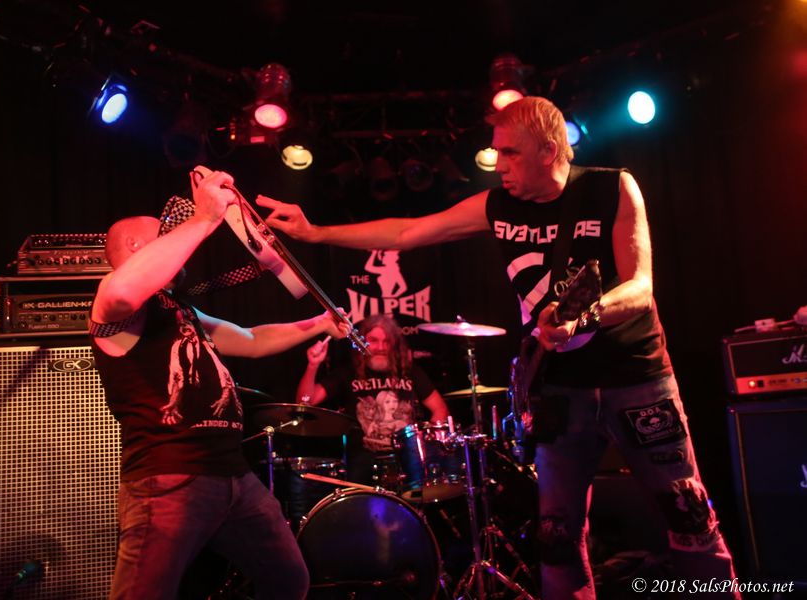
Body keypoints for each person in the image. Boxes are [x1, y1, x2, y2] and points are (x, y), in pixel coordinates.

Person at [258, 97, 740, 599]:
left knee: (688, 514)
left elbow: (640, 288)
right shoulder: (498, 205)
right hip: (559, 387)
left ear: (548, 150)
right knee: (557, 537)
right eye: (497, 153)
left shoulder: (611, 187)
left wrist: (583, 317)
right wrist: (314, 232)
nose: (498, 165)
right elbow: (407, 231)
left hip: (635, 376)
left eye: (510, 153)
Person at [89, 165, 348, 600]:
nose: (178, 242)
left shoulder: (180, 310)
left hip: (231, 474)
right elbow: (121, 292)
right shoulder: (115, 306)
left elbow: (251, 339)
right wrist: (204, 218)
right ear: (134, 245)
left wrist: (319, 323)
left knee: (288, 581)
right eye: (164, 234)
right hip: (168, 477)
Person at [297, 313, 450, 486]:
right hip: (363, 465)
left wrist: (426, 447)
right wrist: (313, 365)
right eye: (374, 340)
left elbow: (440, 409)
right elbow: (306, 401)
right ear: (362, 341)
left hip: (406, 462)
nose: (381, 347)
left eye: (386, 341)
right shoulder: (347, 373)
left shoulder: (410, 372)